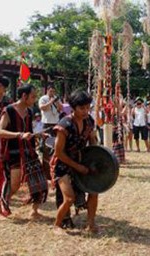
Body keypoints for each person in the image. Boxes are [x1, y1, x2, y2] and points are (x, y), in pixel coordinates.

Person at [0, 84, 48, 218]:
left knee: (40, 183)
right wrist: (19, 135)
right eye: (33, 96)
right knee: (14, 186)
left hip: (28, 151)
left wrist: (38, 135)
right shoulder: (9, 110)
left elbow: (28, 132)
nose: (35, 99)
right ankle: (1, 209)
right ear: (24, 96)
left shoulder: (29, 112)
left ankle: (34, 211)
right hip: (12, 152)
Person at [52, 90, 100, 233]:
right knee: (69, 198)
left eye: (87, 107)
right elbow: (58, 153)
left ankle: (90, 224)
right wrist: (78, 167)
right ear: (73, 108)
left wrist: (95, 150)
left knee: (94, 191)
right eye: (82, 108)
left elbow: (92, 143)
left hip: (81, 162)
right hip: (63, 165)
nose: (86, 111)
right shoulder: (64, 124)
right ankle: (57, 225)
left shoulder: (89, 121)